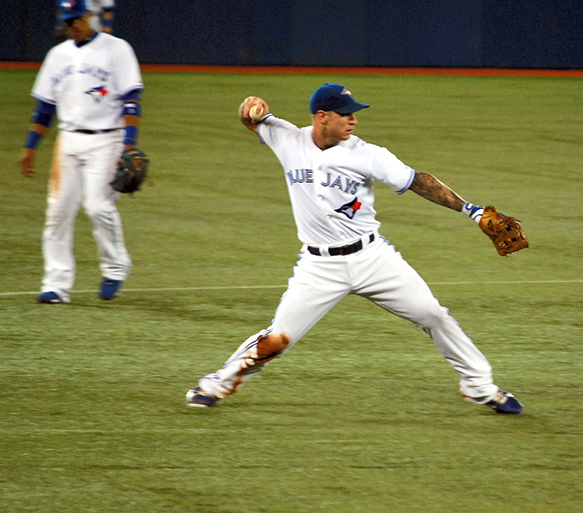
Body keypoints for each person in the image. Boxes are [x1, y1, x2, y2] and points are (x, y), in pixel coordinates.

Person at [185, 84, 524, 414]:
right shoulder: (288, 138)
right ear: (322, 116)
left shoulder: (367, 153)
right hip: (319, 267)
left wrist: (472, 211)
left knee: (433, 315)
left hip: (373, 258)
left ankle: (481, 387)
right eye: (345, 114)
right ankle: (215, 385)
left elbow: (418, 180)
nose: (353, 120)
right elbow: (252, 120)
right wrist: (249, 108)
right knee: (277, 339)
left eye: (354, 113)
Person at [20, 0, 144, 304]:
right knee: (58, 212)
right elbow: (45, 109)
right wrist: (31, 146)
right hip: (68, 141)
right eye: (68, 21)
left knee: (98, 206)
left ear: (89, 15)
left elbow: (132, 100)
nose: (74, 25)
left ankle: (115, 266)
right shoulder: (57, 56)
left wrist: (129, 144)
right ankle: (56, 285)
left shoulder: (117, 49)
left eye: (77, 19)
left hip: (108, 139)